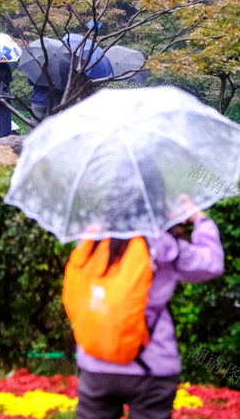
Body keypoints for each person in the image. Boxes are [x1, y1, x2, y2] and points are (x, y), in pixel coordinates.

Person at [71, 166, 225, 419]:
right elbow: (211, 264)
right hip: (151, 365)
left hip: (97, 360)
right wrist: (199, 218)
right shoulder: (164, 242)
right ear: (158, 195)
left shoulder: (93, 237)